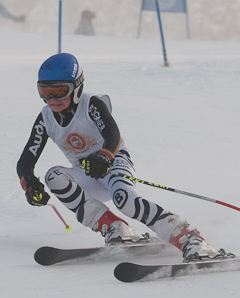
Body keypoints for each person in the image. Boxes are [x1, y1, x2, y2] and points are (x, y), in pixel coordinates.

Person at [16, 53, 229, 262]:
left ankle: (190, 238)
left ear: (77, 87)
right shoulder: (45, 118)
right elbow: (27, 159)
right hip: (88, 173)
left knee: (125, 201)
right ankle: (115, 227)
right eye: (44, 92)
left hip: (114, 164)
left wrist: (105, 156)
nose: (52, 99)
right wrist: (30, 184)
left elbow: (112, 133)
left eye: (60, 91)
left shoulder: (91, 105)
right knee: (54, 176)